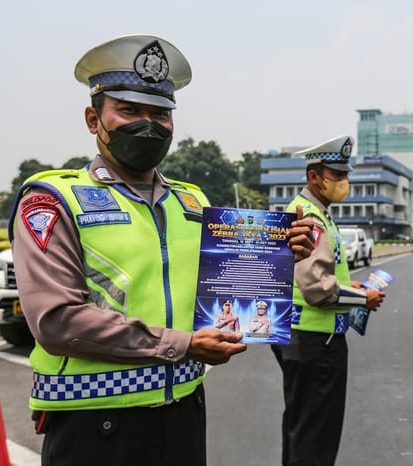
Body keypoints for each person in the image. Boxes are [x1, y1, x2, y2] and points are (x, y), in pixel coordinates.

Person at [9, 35, 315, 466]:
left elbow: (217, 289)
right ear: (94, 120)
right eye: (129, 110)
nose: (148, 124)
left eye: (160, 113)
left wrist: (277, 258)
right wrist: (182, 344)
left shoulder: (191, 204)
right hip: (96, 427)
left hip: (185, 414)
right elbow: (56, 322)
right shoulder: (54, 200)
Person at [271, 135, 386, 465]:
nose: (344, 182)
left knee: (301, 427)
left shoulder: (310, 212)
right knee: (316, 437)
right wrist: (363, 299)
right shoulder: (310, 218)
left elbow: (322, 274)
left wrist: (354, 286)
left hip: (304, 337)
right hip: (316, 342)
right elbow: (318, 289)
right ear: (314, 177)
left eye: (346, 174)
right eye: (337, 175)